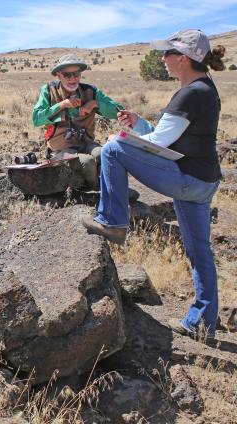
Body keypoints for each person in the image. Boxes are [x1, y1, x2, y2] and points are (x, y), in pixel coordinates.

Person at [82, 29, 226, 339]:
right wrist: (140, 125)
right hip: (203, 181)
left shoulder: (191, 93)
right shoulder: (204, 88)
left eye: (167, 54)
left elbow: (159, 143)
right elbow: (169, 139)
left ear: (183, 59)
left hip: (187, 180)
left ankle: (112, 222)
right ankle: (203, 323)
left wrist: (122, 138)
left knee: (113, 149)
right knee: (199, 252)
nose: (162, 59)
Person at [32, 54, 123, 189]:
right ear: (58, 75)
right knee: (88, 162)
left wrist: (95, 103)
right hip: (60, 149)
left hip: (86, 144)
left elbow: (118, 111)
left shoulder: (91, 91)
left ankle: (115, 189)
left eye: (76, 74)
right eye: (67, 75)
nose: (73, 78)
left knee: (105, 154)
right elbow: (37, 119)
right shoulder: (48, 91)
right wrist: (62, 105)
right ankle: (96, 190)